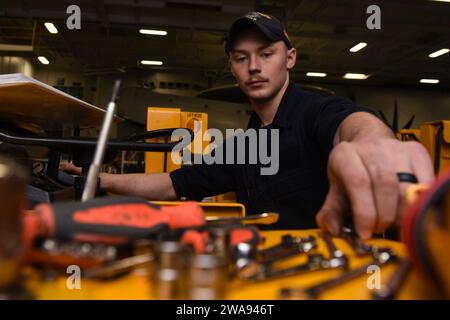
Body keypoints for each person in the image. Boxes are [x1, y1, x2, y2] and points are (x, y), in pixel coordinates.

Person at [93, 12, 434, 239]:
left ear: (290, 58)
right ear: (232, 68)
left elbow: (353, 124)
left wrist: (372, 141)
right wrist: (97, 178)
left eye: (266, 54)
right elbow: (173, 184)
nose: (253, 66)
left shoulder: (315, 113)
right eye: (241, 58)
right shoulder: (244, 146)